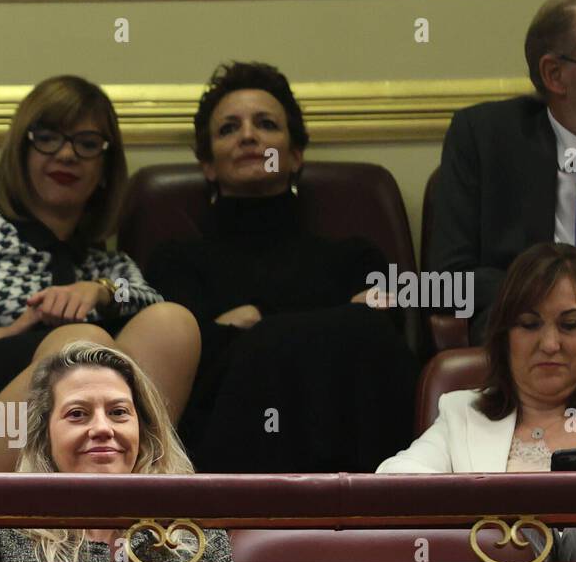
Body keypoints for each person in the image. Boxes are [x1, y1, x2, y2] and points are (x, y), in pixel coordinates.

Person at [0, 74, 203, 472]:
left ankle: (136, 501)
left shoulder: (108, 267)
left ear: (105, 169)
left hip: (91, 430)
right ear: (22, 150)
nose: (67, 155)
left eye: (87, 144)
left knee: (172, 323)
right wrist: (2, 334)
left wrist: (100, 291)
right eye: (48, 137)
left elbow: (155, 308)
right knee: (80, 344)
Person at [145, 61, 419, 473]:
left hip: (347, 443)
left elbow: (380, 335)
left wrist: (251, 329)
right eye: (228, 129)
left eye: (266, 124)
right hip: (230, 455)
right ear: (208, 164)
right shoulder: (174, 262)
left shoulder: (354, 256)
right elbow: (188, 373)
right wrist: (334, 320)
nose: (249, 136)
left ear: (294, 155)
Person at [378, 243, 576, 561]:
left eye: (569, 325)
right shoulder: (462, 414)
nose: (550, 344)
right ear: (504, 335)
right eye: (530, 324)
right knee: (516, 540)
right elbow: (391, 484)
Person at [430, 0, 576, 343]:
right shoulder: (487, 139)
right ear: (555, 75)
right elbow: (444, 283)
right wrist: (565, 292)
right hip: (535, 348)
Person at [0, 342, 232, 562]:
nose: (101, 428)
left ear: (143, 430)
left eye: (118, 412)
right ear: (44, 435)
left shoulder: (195, 529)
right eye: (77, 414)